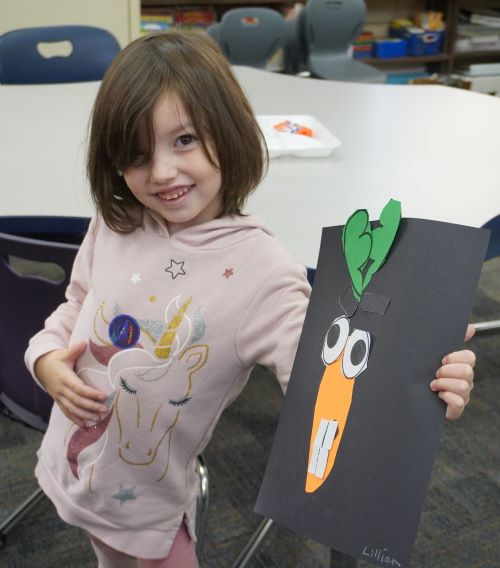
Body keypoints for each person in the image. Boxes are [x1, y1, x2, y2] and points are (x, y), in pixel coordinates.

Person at [25, 30, 476, 568]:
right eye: (137, 154)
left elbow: (329, 378)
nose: (162, 172)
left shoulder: (262, 272)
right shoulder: (116, 221)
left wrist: (420, 376)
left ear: (228, 130)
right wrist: (45, 358)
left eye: (185, 140)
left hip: (151, 515)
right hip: (71, 471)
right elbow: (76, 302)